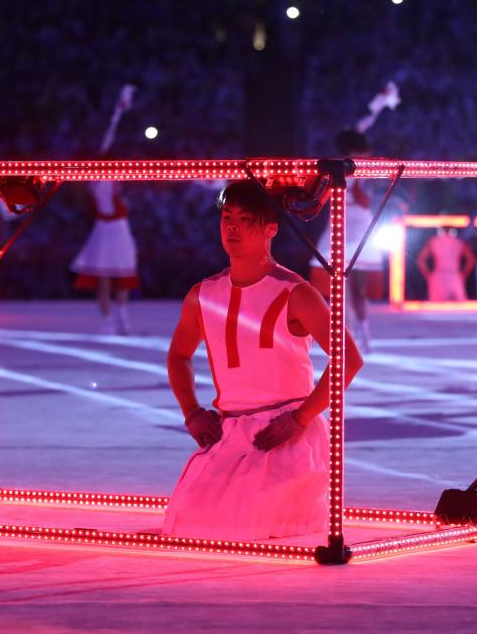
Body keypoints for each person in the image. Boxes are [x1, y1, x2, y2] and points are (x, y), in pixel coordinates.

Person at [162, 179, 363, 541]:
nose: (233, 226)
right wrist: (191, 411)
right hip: (230, 434)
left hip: (285, 433)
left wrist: (301, 418)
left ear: (271, 228)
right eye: (227, 217)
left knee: (249, 527)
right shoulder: (203, 293)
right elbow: (179, 356)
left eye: (245, 218)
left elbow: (348, 359)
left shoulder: (296, 293)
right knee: (190, 525)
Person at [70, 84, 138, 335]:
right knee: (104, 277)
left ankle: (123, 320)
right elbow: (105, 144)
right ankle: (108, 322)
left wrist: (118, 112)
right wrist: (116, 114)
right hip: (104, 228)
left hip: (119, 227)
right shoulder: (91, 180)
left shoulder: (111, 175)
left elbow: (108, 141)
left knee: (124, 274)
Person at [309, 129, 380, 352]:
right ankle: (346, 332)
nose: (366, 156)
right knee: (339, 284)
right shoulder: (336, 167)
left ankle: (363, 331)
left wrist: (358, 181)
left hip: (358, 226)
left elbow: (366, 201)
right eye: (362, 153)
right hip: (341, 222)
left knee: (357, 287)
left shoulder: (366, 171)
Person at [416, 226, 475, 301]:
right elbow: (471, 259)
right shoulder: (458, 242)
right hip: (453, 276)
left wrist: (429, 276)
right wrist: (463, 275)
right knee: (457, 308)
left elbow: (421, 260)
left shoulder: (434, 241)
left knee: (439, 307)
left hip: (440, 277)